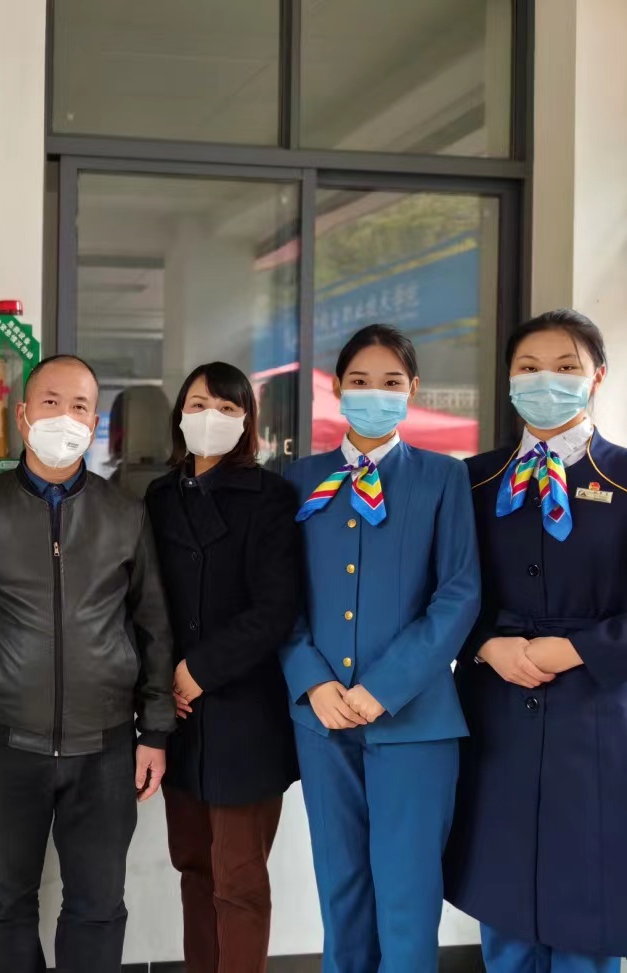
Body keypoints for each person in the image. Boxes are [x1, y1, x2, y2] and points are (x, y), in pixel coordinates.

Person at [0, 353, 175, 972]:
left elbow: (153, 627)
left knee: (98, 906)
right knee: (5, 903)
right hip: (4, 742)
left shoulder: (125, 514)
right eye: (51, 402)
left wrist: (154, 733)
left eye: (80, 406)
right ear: (22, 414)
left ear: (94, 423)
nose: (65, 417)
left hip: (104, 746)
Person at [280, 324, 480, 973]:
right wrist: (312, 680)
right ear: (338, 388)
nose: (374, 392)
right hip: (323, 720)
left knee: (407, 896)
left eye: (391, 381)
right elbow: (278, 598)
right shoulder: (298, 479)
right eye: (360, 380)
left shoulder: (442, 477)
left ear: (412, 389)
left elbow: (458, 593)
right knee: (341, 891)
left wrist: (384, 687)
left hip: (416, 720)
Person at [444, 310, 627, 972]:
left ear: (596, 377)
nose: (545, 378)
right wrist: (485, 643)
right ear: (509, 379)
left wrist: (579, 649)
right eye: (529, 367)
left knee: (590, 909)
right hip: (497, 716)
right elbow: (439, 589)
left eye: (565, 366)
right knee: (506, 904)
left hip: (599, 717)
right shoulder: (471, 481)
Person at [144, 362, 301, 973]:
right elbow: (145, 602)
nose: (212, 416)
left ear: (247, 421)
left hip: (245, 718)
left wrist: (199, 670)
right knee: (193, 867)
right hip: (178, 717)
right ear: (179, 414)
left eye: (229, 408)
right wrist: (163, 682)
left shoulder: (271, 497)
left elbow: (276, 609)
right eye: (199, 404)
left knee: (239, 880)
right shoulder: (159, 497)